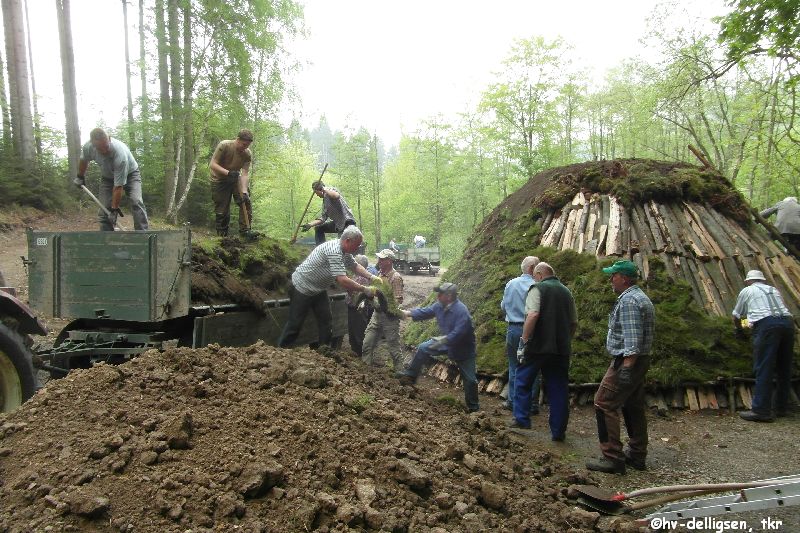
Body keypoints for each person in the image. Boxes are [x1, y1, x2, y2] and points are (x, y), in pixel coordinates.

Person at [587, 260, 655, 474]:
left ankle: (612, 457)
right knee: (632, 405)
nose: (610, 280)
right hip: (639, 360)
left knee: (603, 402)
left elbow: (632, 338)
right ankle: (637, 454)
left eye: (613, 276)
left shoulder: (629, 301)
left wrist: (626, 367)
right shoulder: (639, 297)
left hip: (627, 361)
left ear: (624, 278)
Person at [278, 226, 378, 349]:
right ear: (347, 241)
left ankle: (323, 351)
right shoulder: (334, 250)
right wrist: (364, 289)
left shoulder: (344, 251)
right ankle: (281, 351)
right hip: (302, 287)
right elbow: (342, 280)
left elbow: (354, 266)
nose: (357, 248)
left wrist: (371, 277)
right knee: (295, 324)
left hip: (318, 289)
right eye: (356, 245)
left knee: (326, 322)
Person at [509, 262, 576, 442]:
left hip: (537, 346)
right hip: (560, 349)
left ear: (538, 274)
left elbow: (532, 315)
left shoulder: (537, 289)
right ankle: (558, 431)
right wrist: (566, 340)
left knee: (522, 380)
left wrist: (524, 341)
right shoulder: (566, 292)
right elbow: (573, 322)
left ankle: (522, 419)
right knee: (558, 389)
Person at [398, 282, 479, 412]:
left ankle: (474, 409)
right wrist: (407, 313)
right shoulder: (439, 306)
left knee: (470, 380)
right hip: (446, 342)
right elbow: (425, 312)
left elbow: (459, 333)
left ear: (449, 296)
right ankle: (410, 376)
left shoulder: (461, 311)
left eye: (440, 294)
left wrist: (443, 340)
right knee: (423, 347)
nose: (438, 295)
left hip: (463, 347)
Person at [732, 270, 795, 422]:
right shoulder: (773, 290)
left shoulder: (747, 290)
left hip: (767, 325)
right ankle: (781, 407)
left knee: (764, 366)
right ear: (763, 280)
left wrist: (739, 329)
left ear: (748, 281)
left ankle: (761, 410)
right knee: (784, 367)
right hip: (787, 324)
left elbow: (736, 315)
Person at [74, 128, 149, 231]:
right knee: (104, 209)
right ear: (93, 145)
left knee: (136, 201)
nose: (104, 151)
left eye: (106, 146)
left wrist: (114, 209)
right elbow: (83, 160)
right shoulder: (88, 148)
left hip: (131, 175)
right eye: (100, 149)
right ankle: (107, 239)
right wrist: (80, 176)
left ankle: (143, 236)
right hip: (107, 177)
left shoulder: (120, 154)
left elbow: (118, 187)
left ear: (109, 139)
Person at [501, 256, 543, 413]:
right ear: (532, 268)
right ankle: (531, 405)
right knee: (533, 367)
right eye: (538, 267)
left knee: (513, 366)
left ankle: (512, 400)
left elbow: (503, 306)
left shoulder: (511, 283)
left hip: (512, 328)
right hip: (530, 330)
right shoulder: (536, 285)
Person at [362, 249, 404, 368]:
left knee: (394, 349)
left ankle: (400, 375)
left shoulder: (395, 277)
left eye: (382, 259)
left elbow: (398, 300)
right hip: (376, 315)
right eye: (379, 258)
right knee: (367, 344)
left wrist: (383, 300)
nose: (379, 261)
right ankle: (365, 373)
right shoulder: (379, 274)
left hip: (389, 317)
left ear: (390, 261)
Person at [209, 129, 254, 237]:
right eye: (244, 144)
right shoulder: (224, 146)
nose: (245, 148)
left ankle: (245, 232)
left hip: (235, 179)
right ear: (238, 140)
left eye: (247, 145)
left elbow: (245, 173)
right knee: (222, 209)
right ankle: (222, 236)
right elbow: (213, 164)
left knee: (245, 201)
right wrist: (228, 173)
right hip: (219, 179)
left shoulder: (247, 154)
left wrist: (244, 191)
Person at [302, 181, 356, 246]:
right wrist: (310, 224)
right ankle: (321, 250)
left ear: (320, 190)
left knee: (342, 247)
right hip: (338, 224)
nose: (316, 195)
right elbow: (323, 218)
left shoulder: (330, 190)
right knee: (319, 228)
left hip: (347, 222)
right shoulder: (325, 203)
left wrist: (323, 189)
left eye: (316, 193)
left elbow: (336, 196)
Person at [346, 255, 374, 357]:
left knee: (358, 333)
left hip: (358, 308)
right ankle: (357, 353)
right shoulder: (357, 276)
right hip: (353, 307)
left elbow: (352, 291)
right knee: (353, 332)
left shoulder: (361, 278)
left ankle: (362, 355)